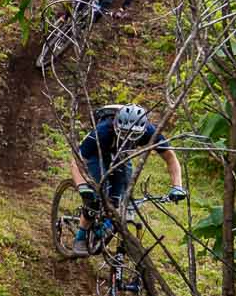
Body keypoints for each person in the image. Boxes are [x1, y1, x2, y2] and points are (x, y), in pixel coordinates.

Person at [68, 103, 186, 249]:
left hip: (122, 156)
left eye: (133, 136)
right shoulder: (102, 131)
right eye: (123, 134)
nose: (128, 139)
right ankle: (81, 235)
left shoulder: (150, 131)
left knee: (118, 200)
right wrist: (83, 187)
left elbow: (170, 158)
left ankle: (105, 226)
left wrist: (177, 187)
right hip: (96, 155)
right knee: (95, 196)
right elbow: (76, 161)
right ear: (116, 126)